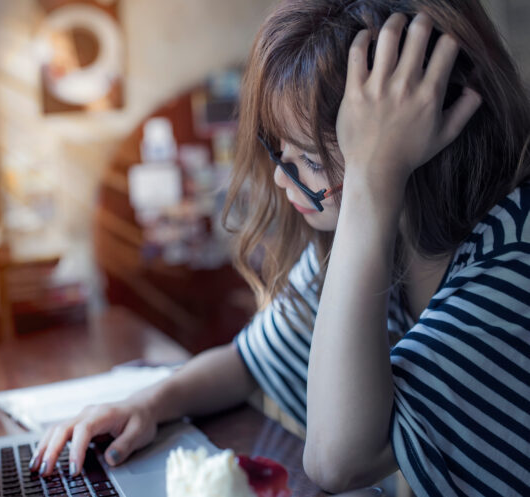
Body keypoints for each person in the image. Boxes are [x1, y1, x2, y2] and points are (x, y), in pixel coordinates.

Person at [30, 1, 530, 495]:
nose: (280, 174)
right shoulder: (381, 239)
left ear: (418, 138)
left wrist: (371, 182)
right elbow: (249, 361)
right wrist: (148, 403)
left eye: (308, 157)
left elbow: (337, 461)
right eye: (280, 150)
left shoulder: (511, 258)